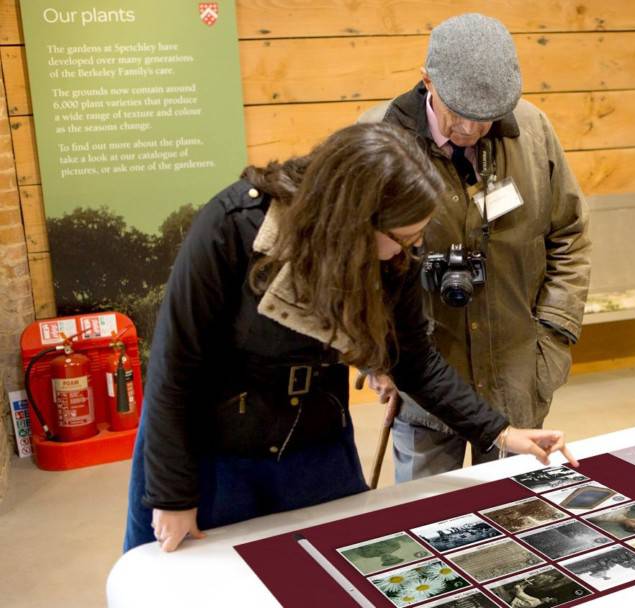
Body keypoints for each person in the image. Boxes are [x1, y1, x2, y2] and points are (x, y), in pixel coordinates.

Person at [123, 123, 577, 553]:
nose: (409, 250)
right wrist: (174, 495)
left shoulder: (395, 253)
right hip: (215, 448)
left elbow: (415, 362)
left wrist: (503, 433)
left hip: (315, 439)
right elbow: (174, 369)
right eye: (401, 237)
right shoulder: (233, 225)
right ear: (353, 224)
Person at [359, 13, 590, 482]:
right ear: (427, 80)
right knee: (426, 522)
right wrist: (375, 356)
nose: (469, 128)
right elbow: (351, 264)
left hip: (518, 375)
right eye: (458, 111)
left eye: (486, 117)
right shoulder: (377, 140)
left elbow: (570, 235)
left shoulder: (534, 131)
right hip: (422, 384)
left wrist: (554, 337)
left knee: (514, 518)